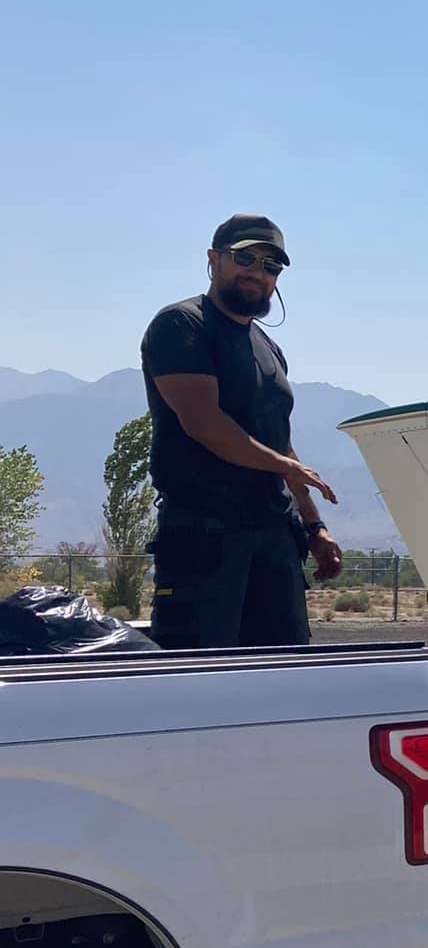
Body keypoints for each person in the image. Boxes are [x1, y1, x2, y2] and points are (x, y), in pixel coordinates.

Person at [140, 214, 344, 649]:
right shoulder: (181, 326)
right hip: (205, 539)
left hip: (273, 538)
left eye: (271, 266)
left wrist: (313, 526)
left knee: (283, 677)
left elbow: (278, 442)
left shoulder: (268, 348)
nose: (257, 272)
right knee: (198, 682)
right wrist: (288, 465)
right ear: (214, 260)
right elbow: (205, 425)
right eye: (245, 258)